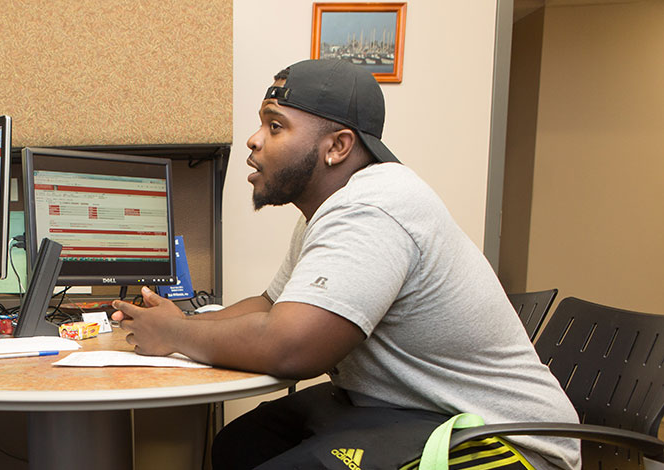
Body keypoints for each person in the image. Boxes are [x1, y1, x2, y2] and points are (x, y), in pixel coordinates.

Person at [112, 59, 581, 470]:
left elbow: (292, 348)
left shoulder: (372, 209)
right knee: (240, 445)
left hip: (506, 440)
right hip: (406, 409)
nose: (254, 140)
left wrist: (176, 334)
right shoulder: (333, 207)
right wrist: (178, 321)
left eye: (275, 127)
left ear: (337, 146)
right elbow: (270, 303)